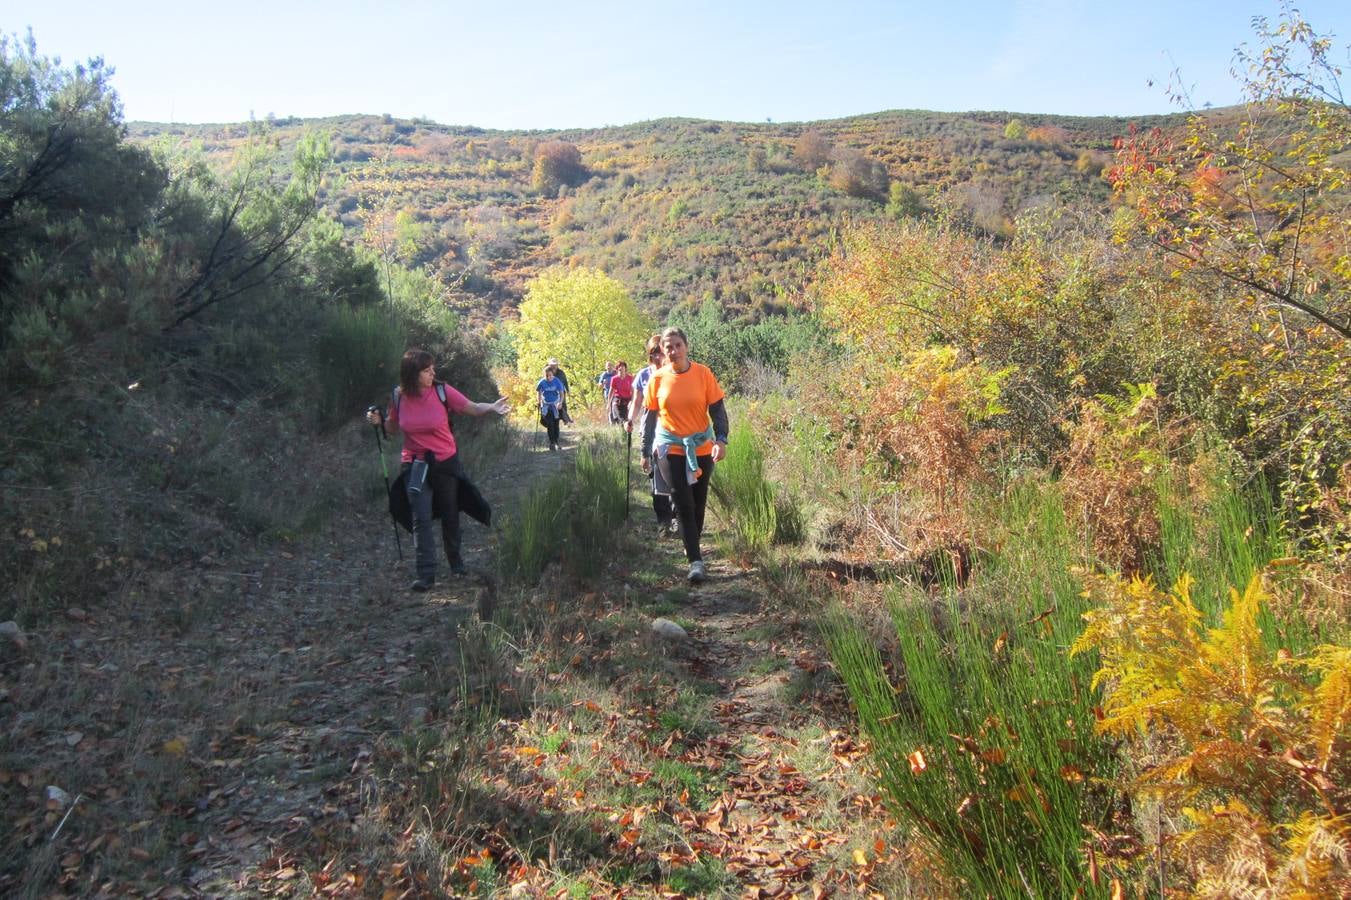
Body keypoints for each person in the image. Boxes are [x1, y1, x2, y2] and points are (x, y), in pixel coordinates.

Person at [366, 349, 509, 591]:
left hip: (445, 462)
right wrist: (380, 422)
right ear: (413, 374)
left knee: (450, 513)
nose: (433, 372)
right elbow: (393, 427)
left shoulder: (442, 391)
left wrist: (492, 408)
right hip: (414, 463)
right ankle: (426, 574)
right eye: (426, 370)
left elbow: (471, 407)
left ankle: (455, 561)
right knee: (419, 517)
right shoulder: (398, 396)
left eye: (432, 368)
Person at [641, 327, 729, 583]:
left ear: (686, 346)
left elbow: (718, 411)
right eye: (668, 347)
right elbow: (649, 419)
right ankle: (696, 561)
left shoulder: (703, 374)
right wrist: (645, 450)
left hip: (701, 446)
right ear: (663, 351)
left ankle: (692, 545)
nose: (674, 351)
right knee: (682, 502)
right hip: (670, 447)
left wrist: (721, 440)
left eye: (678, 345)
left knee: (698, 502)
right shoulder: (657, 378)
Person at [627, 336, 674, 535]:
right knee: (655, 476)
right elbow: (636, 402)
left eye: (660, 352)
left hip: (671, 432)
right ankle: (662, 520)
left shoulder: (673, 374)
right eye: (653, 353)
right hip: (650, 432)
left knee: (674, 474)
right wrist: (630, 419)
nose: (657, 357)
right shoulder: (643, 375)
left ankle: (676, 517)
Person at [537, 364, 566, 450]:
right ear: (544, 375)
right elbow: (538, 392)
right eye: (547, 376)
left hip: (556, 405)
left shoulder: (557, 381)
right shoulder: (541, 382)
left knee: (556, 424)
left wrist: (560, 402)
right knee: (550, 424)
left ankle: (556, 442)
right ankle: (552, 442)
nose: (549, 377)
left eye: (550, 375)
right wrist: (539, 402)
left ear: (552, 374)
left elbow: (561, 393)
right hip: (546, 405)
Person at [548, 358, 573, 424]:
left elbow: (565, 381)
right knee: (552, 406)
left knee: (563, 404)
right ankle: (557, 419)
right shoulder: (547, 372)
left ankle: (566, 420)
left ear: (557, 365)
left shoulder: (561, 372)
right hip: (551, 391)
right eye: (552, 365)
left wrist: (568, 390)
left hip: (561, 391)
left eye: (555, 364)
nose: (554, 366)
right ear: (550, 365)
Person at [609, 360, 634, 425]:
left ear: (625, 369)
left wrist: (632, 401)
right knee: (616, 409)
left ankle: (624, 429)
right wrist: (608, 403)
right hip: (617, 399)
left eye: (623, 368)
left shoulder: (630, 378)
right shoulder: (614, 379)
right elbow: (611, 391)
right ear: (617, 370)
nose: (621, 370)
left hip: (627, 400)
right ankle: (621, 422)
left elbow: (633, 391)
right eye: (619, 369)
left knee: (626, 417)